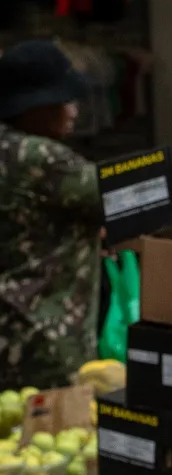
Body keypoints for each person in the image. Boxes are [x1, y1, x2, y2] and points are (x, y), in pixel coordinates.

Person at [0, 41, 100, 388]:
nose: (73, 110)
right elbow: (120, 196)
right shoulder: (43, 159)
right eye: (64, 100)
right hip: (44, 347)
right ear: (34, 107)